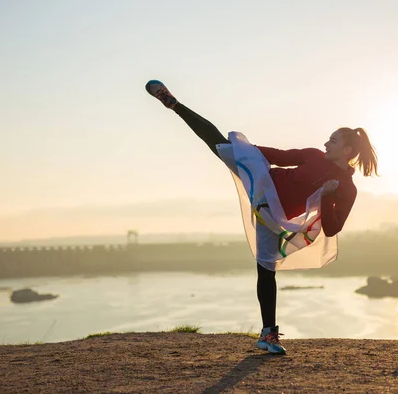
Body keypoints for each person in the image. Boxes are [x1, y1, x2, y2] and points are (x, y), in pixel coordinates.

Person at [145, 80, 378, 355]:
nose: (326, 142)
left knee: (266, 269)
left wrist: (328, 197)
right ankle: (174, 104)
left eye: (333, 140)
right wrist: (247, 151)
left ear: (348, 151)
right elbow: (280, 156)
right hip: (263, 182)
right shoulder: (314, 156)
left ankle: (268, 335)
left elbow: (331, 229)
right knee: (218, 142)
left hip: (274, 216)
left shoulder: (347, 189)